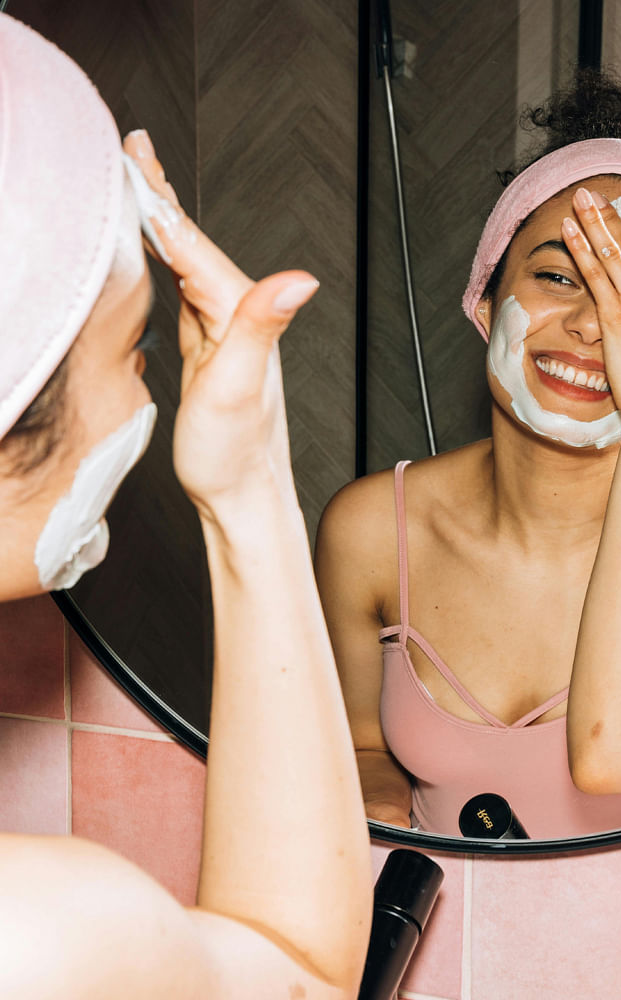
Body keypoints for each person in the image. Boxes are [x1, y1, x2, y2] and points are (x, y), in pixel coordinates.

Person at [316, 70, 621, 839]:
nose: (590, 325)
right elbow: (363, 745)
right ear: (485, 294)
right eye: (555, 276)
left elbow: (615, 758)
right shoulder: (373, 526)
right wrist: (379, 810)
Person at [0, 15, 369, 997]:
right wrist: (249, 488)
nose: (149, 395)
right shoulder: (40, 939)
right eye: (135, 349)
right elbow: (297, 970)